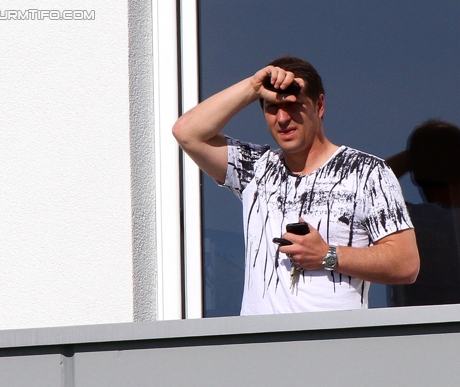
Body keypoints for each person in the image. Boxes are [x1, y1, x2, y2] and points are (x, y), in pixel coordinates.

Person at [173, 56, 419, 315]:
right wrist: (253, 87)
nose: (282, 118)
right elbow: (187, 132)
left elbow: (405, 263)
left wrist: (327, 255)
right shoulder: (256, 168)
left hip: (336, 345)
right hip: (260, 347)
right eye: (271, 107)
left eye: (293, 105)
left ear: (319, 106)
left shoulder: (367, 172)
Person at [386, 120, 460, 306]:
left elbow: (365, 189)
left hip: (419, 332)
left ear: (416, 176)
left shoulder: (406, 223)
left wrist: (414, 157)